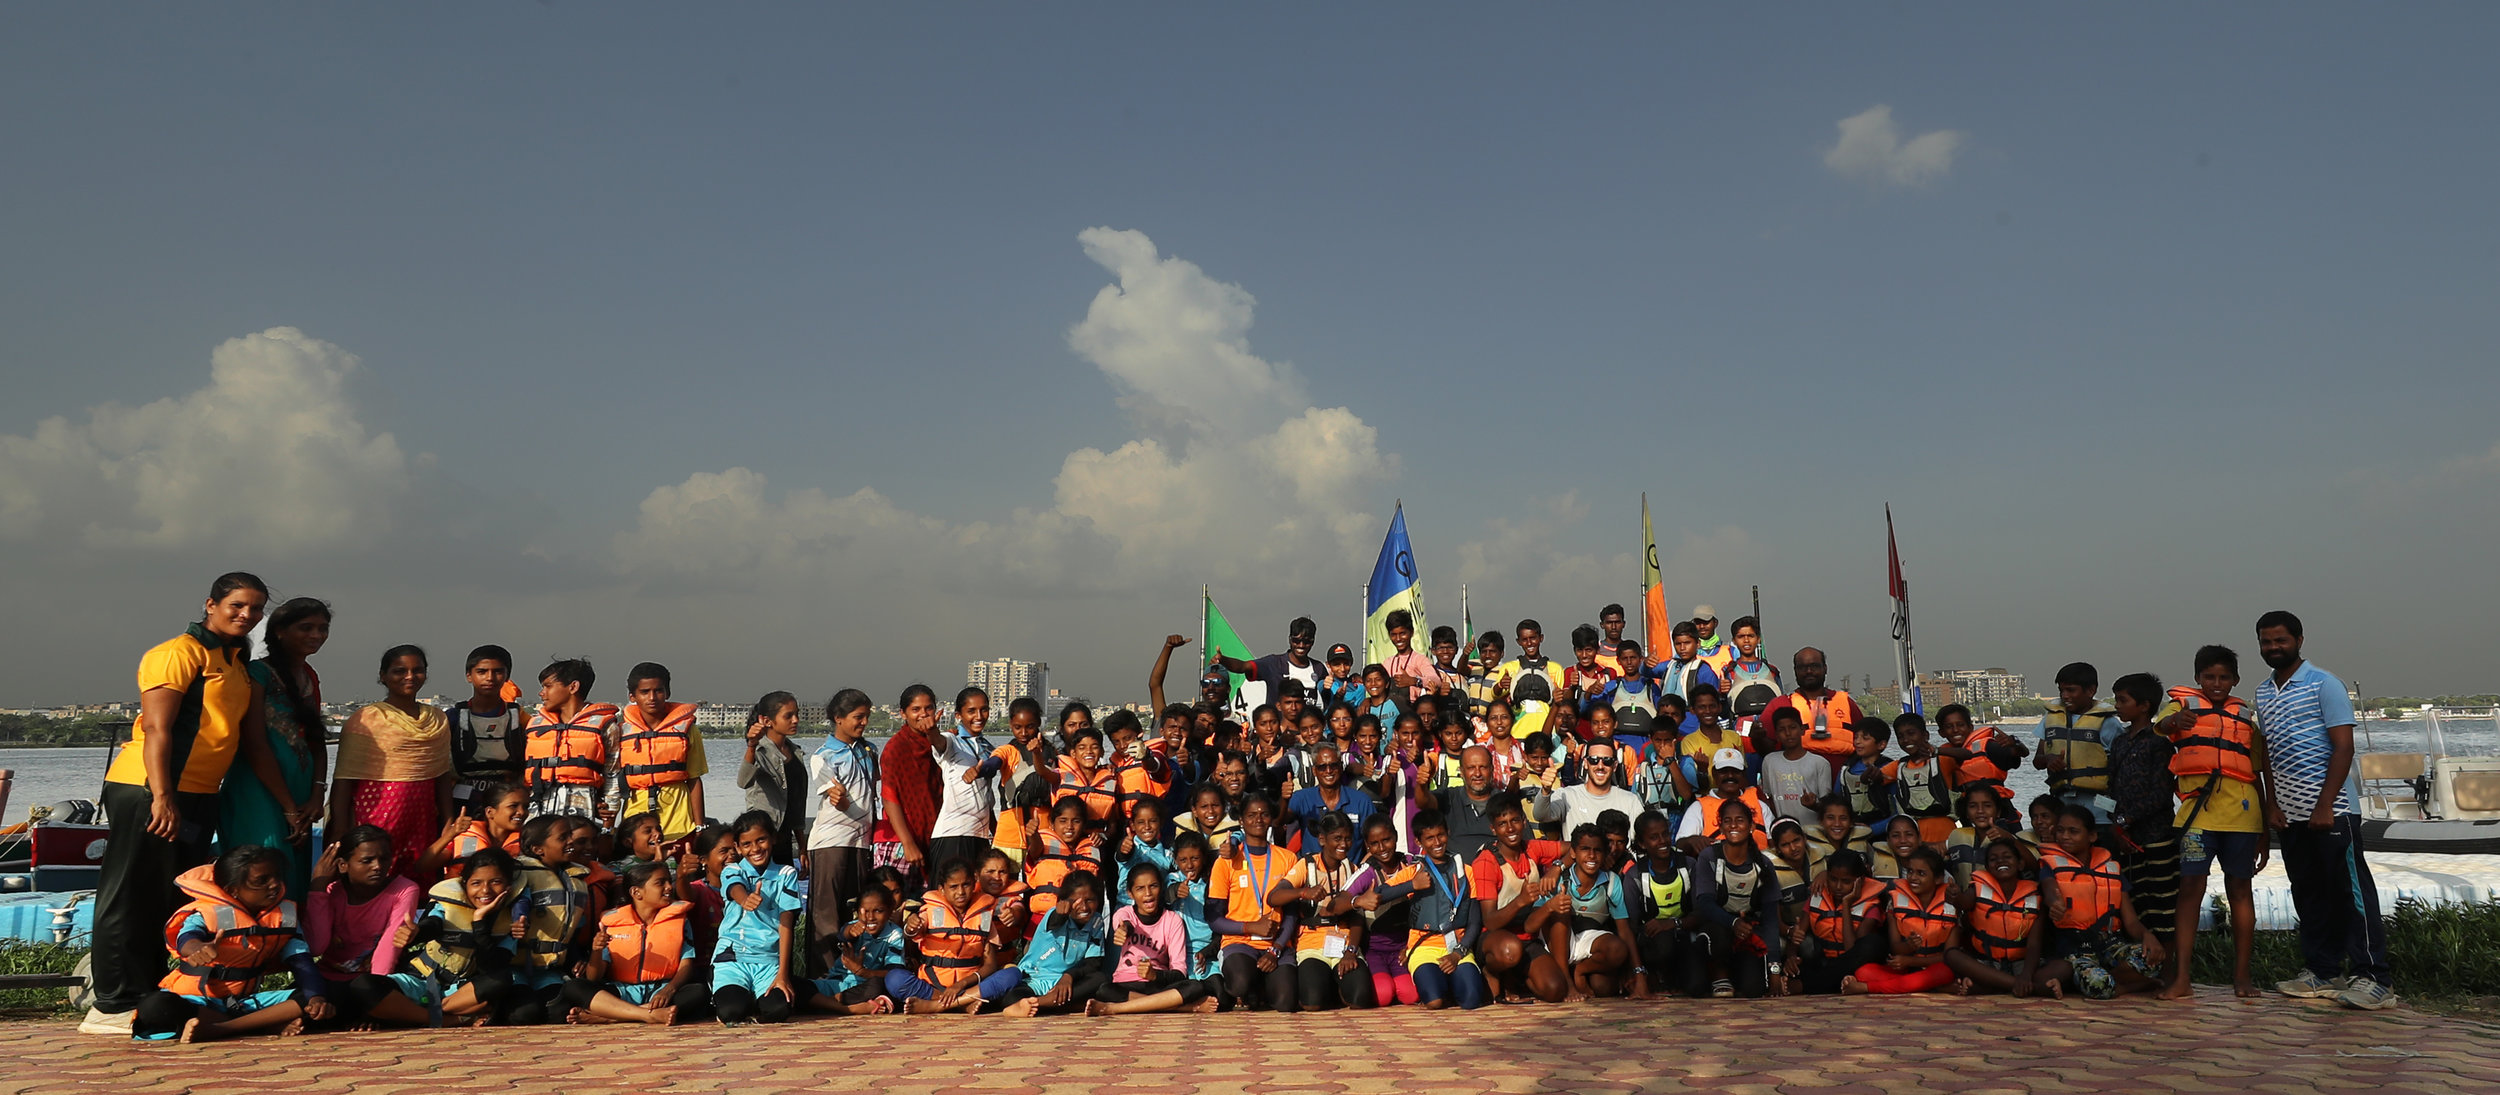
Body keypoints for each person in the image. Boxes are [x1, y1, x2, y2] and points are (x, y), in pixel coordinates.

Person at [84, 572, 271, 1038]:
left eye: (255, 608)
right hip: (149, 789)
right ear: (211, 604)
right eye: (237, 605)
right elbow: (158, 729)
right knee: (130, 894)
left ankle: (154, 995)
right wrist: (162, 797)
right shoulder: (176, 653)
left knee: (175, 899)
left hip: (199, 792)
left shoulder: (233, 661)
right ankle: (110, 1003)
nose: (247, 615)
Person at [2251, 611, 2391, 1010]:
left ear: (2298, 639)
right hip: (2290, 814)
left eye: (2280, 640)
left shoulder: (2324, 684)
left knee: (2351, 894)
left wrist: (2325, 804)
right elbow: (2270, 756)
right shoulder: (2263, 693)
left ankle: (2374, 979)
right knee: (2309, 894)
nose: (2274, 647)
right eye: (2266, 641)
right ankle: (2322, 971)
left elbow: (2344, 747)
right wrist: (2273, 806)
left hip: (2333, 811)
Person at [2157, 645, 2277, 1002]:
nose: (2217, 683)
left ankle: (2242, 977)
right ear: (2197, 679)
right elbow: (2161, 727)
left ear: (2235, 680)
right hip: (2197, 818)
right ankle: (2182, 978)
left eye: (2224, 677)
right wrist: (2174, 722)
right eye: (2209, 677)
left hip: (2242, 817)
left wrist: (2265, 829)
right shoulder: (2180, 708)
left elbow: (2255, 774)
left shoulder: (2246, 717)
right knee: (2190, 891)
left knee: (2240, 891)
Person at [131, 845, 332, 1042]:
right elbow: (187, 938)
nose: (274, 885)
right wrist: (198, 949)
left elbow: (301, 962)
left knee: (323, 993)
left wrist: (316, 998)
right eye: (261, 881)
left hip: (246, 1002)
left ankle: (220, 1029)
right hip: (197, 1000)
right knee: (154, 1006)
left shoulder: (285, 916)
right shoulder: (206, 912)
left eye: (277, 877)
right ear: (232, 890)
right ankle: (262, 1024)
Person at [222, 596, 331, 902]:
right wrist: (288, 807)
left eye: (323, 628)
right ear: (281, 631)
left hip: (300, 790)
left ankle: (289, 942)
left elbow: (316, 739)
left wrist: (317, 793)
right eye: (306, 627)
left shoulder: (309, 677)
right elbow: (255, 743)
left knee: (293, 868)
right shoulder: (257, 673)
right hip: (260, 790)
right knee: (261, 863)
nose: (316, 635)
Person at [329, 645, 454, 880]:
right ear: (383, 676)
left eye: (417, 670)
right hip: (377, 813)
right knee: (374, 876)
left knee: (417, 880)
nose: (409, 677)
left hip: (422, 818)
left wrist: (448, 822)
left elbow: (442, 775)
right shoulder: (366, 719)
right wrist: (339, 830)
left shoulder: (437, 719)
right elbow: (344, 779)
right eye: (399, 671)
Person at [2034, 804, 2165, 1000]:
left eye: (2073, 831)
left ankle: (2107, 983)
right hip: (2076, 950)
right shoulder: (2050, 866)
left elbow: (2130, 922)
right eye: (2060, 830)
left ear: (2092, 836)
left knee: (2151, 958)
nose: (2065, 836)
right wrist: (2055, 904)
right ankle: (2127, 986)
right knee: (2097, 983)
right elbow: (2050, 890)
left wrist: (2147, 936)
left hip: (2112, 945)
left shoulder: (2111, 869)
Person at [560, 861, 708, 1025]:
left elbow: (686, 965)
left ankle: (607, 1017)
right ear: (636, 892)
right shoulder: (612, 922)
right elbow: (594, 977)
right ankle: (648, 1015)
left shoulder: (679, 920)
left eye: (668, 881)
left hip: (660, 990)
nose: (669, 887)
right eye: (660, 883)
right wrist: (596, 950)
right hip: (621, 991)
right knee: (574, 987)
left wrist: (667, 991)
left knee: (699, 992)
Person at [301, 828, 422, 1026]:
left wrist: (375, 1004)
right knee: (306, 1000)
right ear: (343, 865)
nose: (377, 866)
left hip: (372, 982)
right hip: (330, 980)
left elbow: (388, 949)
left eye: (384, 859)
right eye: (367, 861)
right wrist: (318, 888)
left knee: (367, 993)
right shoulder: (331, 893)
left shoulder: (404, 890)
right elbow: (317, 946)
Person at [803, 689, 878, 975]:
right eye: (858, 717)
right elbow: (834, 794)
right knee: (827, 913)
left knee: (854, 910)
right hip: (832, 842)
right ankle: (822, 976)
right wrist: (840, 798)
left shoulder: (868, 750)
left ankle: (852, 973)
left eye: (866, 717)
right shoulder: (824, 756)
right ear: (838, 718)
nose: (864, 723)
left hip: (861, 841)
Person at [1468, 794, 1569, 1003]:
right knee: (1509, 952)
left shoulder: (1532, 848)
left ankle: (1520, 979)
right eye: (1502, 824)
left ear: (1524, 821)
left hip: (1527, 936)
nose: (1511, 829)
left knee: (1555, 990)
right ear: (1493, 830)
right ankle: (1493, 970)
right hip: (1496, 939)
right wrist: (1520, 901)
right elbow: (1490, 921)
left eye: (1514, 820)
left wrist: (1556, 868)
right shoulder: (1486, 861)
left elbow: (1575, 847)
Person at [2106, 672, 2181, 952]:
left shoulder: (2159, 742)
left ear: (2144, 705)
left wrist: (2124, 821)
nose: (2117, 706)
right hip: (2126, 840)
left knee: (2163, 904)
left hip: (2157, 837)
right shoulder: (2120, 742)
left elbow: (2161, 795)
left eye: (2122, 700)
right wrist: (2116, 825)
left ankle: (2170, 970)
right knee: (2134, 902)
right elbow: (2110, 789)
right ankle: (2142, 966)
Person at [1267, 811, 1372, 1010]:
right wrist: (1303, 892)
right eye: (1337, 838)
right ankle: (1329, 984)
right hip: (1312, 943)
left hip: (1345, 942)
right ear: (1322, 839)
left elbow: (1358, 916)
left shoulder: (1353, 869)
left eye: (1348, 838)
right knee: (1312, 1003)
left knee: (1360, 999)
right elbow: (1273, 897)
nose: (1344, 844)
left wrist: (1351, 952)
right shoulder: (1306, 866)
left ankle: (1339, 983)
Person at [1528, 824, 1646, 1000]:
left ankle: (1580, 971)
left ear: (1605, 854)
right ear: (1573, 853)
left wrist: (1639, 974)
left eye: (1597, 850)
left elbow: (1624, 930)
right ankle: (1566, 981)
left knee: (1605, 984)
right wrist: (1550, 906)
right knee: (1562, 909)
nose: (1591, 855)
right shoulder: (1558, 879)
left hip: (1586, 939)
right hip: (1555, 943)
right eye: (1585, 849)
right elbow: (1530, 926)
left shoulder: (1611, 882)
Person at [1208, 793, 1301, 1012]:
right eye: (1251, 815)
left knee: (1286, 1003)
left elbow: (1291, 911)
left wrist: (1276, 950)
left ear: (1271, 818)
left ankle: (1261, 987)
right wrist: (1250, 927)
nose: (1258, 819)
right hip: (1239, 941)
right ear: (1241, 820)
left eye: (1264, 814)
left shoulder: (1288, 858)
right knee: (1239, 982)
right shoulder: (1227, 860)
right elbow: (1213, 918)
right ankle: (1246, 987)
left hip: (1276, 943)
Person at [711, 811, 805, 1023]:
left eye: (760, 840)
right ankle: (723, 989)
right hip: (733, 960)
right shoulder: (732, 869)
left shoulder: (786, 874)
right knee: (731, 1012)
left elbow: (786, 925)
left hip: (768, 963)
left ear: (773, 838)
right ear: (738, 847)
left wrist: (783, 974)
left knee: (778, 1011)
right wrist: (745, 899)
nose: (755, 849)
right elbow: (734, 887)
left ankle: (755, 997)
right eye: (747, 844)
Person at [1090, 863, 1220, 1015]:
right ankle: (1186, 1008)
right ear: (1130, 893)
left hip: (1158, 984)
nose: (1148, 894)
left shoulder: (1173, 920)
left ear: (1161, 888)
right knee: (1105, 990)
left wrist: (1155, 975)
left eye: (1153, 886)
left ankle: (1115, 1008)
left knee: (1195, 987)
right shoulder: (1125, 913)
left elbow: (1179, 971)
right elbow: (1123, 922)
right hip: (1127, 984)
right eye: (1140, 889)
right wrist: (1123, 929)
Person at [894, 858, 1018, 1015]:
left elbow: (990, 965)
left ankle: (937, 1006)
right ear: (942, 889)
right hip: (931, 986)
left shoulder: (984, 915)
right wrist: (910, 925)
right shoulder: (930, 912)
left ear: (974, 884)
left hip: (968, 985)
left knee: (1012, 974)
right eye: (953, 887)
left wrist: (960, 985)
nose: (960, 892)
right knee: (894, 978)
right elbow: (910, 932)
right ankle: (962, 1003)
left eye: (966, 885)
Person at [1690, 800, 1783, 998]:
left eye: (1740, 820)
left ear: (1751, 826)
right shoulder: (1709, 857)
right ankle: (1716, 974)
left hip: (1747, 935)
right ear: (1720, 825)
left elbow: (1771, 919)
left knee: (1754, 989)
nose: (1733, 825)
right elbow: (1704, 903)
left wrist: (1774, 968)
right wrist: (1733, 922)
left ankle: (1736, 972)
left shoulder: (1764, 864)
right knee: (1696, 985)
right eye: (1727, 821)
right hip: (1716, 930)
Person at [506, 815, 594, 1024]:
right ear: (538, 849)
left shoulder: (576, 879)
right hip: (514, 967)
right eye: (563, 838)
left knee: (560, 1012)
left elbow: (571, 930)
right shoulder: (520, 873)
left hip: (548, 970)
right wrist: (519, 920)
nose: (570, 841)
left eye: (570, 836)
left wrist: (576, 960)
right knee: (524, 1015)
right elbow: (520, 902)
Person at [1403, 810, 1491, 1010]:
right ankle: (1439, 981)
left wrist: (1458, 954)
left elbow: (1475, 921)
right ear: (1419, 842)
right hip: (1424, 948)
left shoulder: (1465, 871)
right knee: (1434, 1001)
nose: (1437, 842)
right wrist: (1410, 886)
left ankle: (1455, 979)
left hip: (1458, 947)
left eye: (1440, 835)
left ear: (1448, 832)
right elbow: (1383, 894)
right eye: (1429, 838)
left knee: (1471, 1001)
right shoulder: (1413, 871)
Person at [610, 663, 706, 842]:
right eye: (645, 692)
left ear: (667, 693)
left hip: (680, 822)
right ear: (633, 696)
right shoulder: (620, 732)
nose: (652, 697)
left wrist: (700, 825)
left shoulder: (688, 731)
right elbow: (611, 781)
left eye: (658, 691)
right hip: (636, 819)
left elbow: (694, 779)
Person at [1843, 847, 1958, 995]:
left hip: (1935, 967)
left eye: (1921, 873)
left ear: (1938, 879)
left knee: (1944, 972)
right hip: (1905, 970)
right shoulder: (1895, 901)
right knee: (1863, 972)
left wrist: (1911, 961)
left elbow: (1950, 955)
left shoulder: (1951, 903)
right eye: (1910, 871)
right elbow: (1896, 947)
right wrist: (1908, 947)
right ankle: (1931, 987)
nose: (1913, 877)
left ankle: (1868, 988)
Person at [1000, 870, 1112, 1016]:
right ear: (1063, 902)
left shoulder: (1096, 921)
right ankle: (1058, 1005)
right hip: (1034, 980)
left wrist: (1068, 977)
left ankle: (1042, 1004)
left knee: (1101, 979)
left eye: (1090, 900)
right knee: (1012, 997)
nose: (1084, 907)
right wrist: (1060, 912)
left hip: (1064, 984)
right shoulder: (1053, 915)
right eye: (1076, 901)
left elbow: (1093, 963)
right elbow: (1056, 920)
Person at [1944, 837, 2045, 996]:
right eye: (1993, 859)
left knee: (2063, 968)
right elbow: (1963, 902)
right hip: (1986, 963)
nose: (2000, 861)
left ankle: (1993, 986)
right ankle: (2021, 986)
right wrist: (1955, 896)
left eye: (2007, 857)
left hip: (2022, 964)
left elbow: (2034, 944)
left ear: (2020, 864)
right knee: (1952, 955)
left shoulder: (2035, 896)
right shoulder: (1977, 889)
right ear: (1987, 867)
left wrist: (2026, 974)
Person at [522, 659, 618, 821]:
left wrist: (609, 814)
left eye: (548, 686)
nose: (541, 693)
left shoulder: (605, 726)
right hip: (537, 810)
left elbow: (613, 772)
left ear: (573, 687)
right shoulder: (535, 724)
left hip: (583, 809)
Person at [2034, 662, 2123, 827]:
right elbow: (2037, 761)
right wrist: (2049, 759)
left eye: (2071, 690)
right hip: (2063, 809)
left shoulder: (2108, 723)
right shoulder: (2050, 719)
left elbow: (2121, 768)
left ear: (2091, 690)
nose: (2065, 695)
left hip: (2100, 814)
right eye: (2061, 690)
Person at [444, 645, 526, 817]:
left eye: (497, 672)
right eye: (482, 672)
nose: (490, 678)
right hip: (463, 801)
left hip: (507, 802)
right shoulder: (453, 717)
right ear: (469, 676)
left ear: (507, 676)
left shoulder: (520, 717)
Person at [877, 685, 944, 889]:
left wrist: (933, 733)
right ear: (903, 714)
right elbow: (889, 797)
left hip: (937, 832)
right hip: (903, 838)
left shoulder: (943, 743)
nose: (923, 714)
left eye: (928, 708)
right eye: (916, 709)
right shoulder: (895, 749)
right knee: (901, 903)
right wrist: (908, 843)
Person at [1793, 850, 1886, 995]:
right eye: (1833, 879)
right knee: (1807, 946)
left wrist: (1846, 904)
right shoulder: (1818, 895)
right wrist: (1791, 956)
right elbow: (1798, 934)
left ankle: (1806, 986)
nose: (1838, 887)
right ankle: (1822, 983)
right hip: (1822, 961)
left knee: (1872, 944)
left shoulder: (1871, 906)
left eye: (1846, 882)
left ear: (1859, 881)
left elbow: (1852, 951)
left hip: (1851, 968)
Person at [928, 687, 1000, 872]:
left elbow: (986, 796)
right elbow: (939, 742)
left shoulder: (989, 748)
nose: (979, 716)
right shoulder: (953, 741)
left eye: (984, 709)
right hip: (953, 834)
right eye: (971, 711)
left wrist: (996, 830)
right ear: (959, 715)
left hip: (980, 835)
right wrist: (931, 731)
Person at [1628, 811, 1699, 996]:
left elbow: (1702, 912)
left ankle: (1680, 977)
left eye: (1665, 834)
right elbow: (1632, 927)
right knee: (1664, 943)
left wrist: (1671, 924)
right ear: (1642, 843)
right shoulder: (1635, 876)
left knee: (1696, 987)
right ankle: (1658, 977)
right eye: (1653, 837)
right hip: (1654, 944)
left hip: (1685, 935)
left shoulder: (1689, 865)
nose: (1662, 841)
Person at [810, 885, 906, 1016]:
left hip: (863, 988)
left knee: (879, 985)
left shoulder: (895, 933)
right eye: (865, 911)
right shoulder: (855, 926)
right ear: (857, 912)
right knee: (795, 986)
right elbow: (845, 934)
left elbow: (894, 972)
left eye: (878, 911)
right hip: (837, 984)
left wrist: (862, 972)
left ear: (890, 911)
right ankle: (837, 1006)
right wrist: (851, 932)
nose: (871, 917)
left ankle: (827, 1003)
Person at [737, 691, 808, 859]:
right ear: (767, 721)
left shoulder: (795, 752)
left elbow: (796, 804)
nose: (795, 720)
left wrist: (802, 847)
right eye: (788, 716)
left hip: (784, 839)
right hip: (761, 840)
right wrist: (751, 746)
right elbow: (743, 781)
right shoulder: (759, 750)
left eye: (796, 714)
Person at [1762, 648, 1862, 766]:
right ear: (1795, 671)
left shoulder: (1847, 703)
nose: (1809, 671)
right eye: (1802, 667)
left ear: (1825, 668)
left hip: (1843, 776)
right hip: (1798, 777)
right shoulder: (1780, 705)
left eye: (1814, 666)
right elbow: (1765, 749)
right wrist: (1758, 737)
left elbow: (1868, 741)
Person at [1532, 739, 1645, 837]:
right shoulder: (1567, 795)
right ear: (1585, 763)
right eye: (1594, 760)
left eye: (1607, 761)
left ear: (1615, 766)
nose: (1600, 766)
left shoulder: (1631, 801)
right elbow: (1540, 815)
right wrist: (1545, 790)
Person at [1213, 616, 1324, 714]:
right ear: (1290, 640)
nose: (1301, 645)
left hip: (1308, 734)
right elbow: (1243, 666)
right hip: (1279, 734)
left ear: (1313, 642)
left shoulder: (1319, 669)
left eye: (1306, 642)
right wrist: (1223, 660)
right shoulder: (1274, 664)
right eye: (1296, 640)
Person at [1676, 750, 1772, 855]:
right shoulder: (1698, 807)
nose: (1730, 776)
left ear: (1743, 774)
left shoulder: (1760, 805)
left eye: (1736, 771)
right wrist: (1692, 840)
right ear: (1714, 774)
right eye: (1723, 771)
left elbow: (1774, 839)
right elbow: (1680, 843)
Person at [1883, 712, 1959, 846]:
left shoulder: (1942, 760)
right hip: (1916, 839)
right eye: (1900, 736)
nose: (1906, 740)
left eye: (1911, 733)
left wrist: (1937, 751)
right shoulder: (1898, 766)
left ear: (1926, 736)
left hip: (1946, 835)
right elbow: (1874, 778)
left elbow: (1967, 755)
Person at [1284, 742, 1377, 850]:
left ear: (1341, 767)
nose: (1328, 771)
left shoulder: (1361, 801)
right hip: (1313, 866)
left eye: (1333, 765)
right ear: (1314, 771)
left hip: (1352, 866)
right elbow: (1279, 821)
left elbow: (1375, 840)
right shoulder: (1301, 798)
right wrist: (1284, 800)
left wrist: (1363, 866)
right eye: (1322, 767)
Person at [1936, 703, 2026, 810]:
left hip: (2001, 812)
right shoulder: (1941, 758)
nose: (1955, 730)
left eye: (1960, 725)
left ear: (1970, 727)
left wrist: (2015, 742)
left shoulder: (1989, 747)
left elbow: (2021, 753)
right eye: (1949, 726)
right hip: (1968, 813)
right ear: (1941, 733)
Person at [1758, 707, 1833, 828]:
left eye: (1792, 727)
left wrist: (1813, 805)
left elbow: (1828, 808)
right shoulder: (1770, 761)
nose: (1788, 733)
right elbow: (1769, 798)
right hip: (1784, 833)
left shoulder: (1820, 763)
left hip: (1815, 833)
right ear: (1777, 735)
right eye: (1782, 730)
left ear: (1802, 730)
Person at [1835, 718, 1894, 835]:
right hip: (1850, 831)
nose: (1857, 742)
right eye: (1856, 737)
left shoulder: (1889, 768)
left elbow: (1898, 811)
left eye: (1865, 738)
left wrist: (1872, 829)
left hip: (1879, 831)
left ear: (1881, 744)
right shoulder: (1845, 769)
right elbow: (1836, 800)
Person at [1719, 616, 1784, 720]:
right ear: (1734, 641)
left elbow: (1781, 704)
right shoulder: (1728, 672)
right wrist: (1721, 695)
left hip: (1769, 728)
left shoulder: (1772, 671)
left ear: (1758, 639)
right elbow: (1723, 712)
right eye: (1741, 636)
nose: (1746, 640)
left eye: (1750, 636)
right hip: (1740, 731)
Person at [1654, 623, 1722, 710]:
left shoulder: (1703, 671)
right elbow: (1645, 671)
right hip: (1667, 720)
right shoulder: (1671, 665)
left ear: (1698, 644)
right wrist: (1646, 663)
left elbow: (1712, 703)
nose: (1682, 648)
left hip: (1691, 720)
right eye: (1678, 644)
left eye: (1687, 643)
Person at [1690, 606, 1735, 680]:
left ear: (1715, 623)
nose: (1702, 626)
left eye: (1706, 622)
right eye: (1698, 623)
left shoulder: (1731, 651)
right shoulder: (1687, 652)